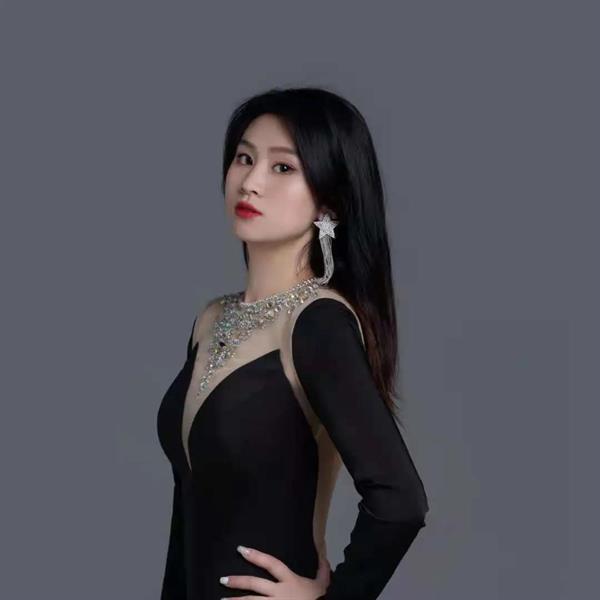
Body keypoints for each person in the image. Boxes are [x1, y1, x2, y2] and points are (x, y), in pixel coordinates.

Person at [156, 86, 429, 599]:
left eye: (283, 167)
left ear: (329, 200)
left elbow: (400, 502)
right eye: (244, 158)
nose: (251, 182)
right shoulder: (210, 319)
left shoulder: (318, 324)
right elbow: (187, 512)